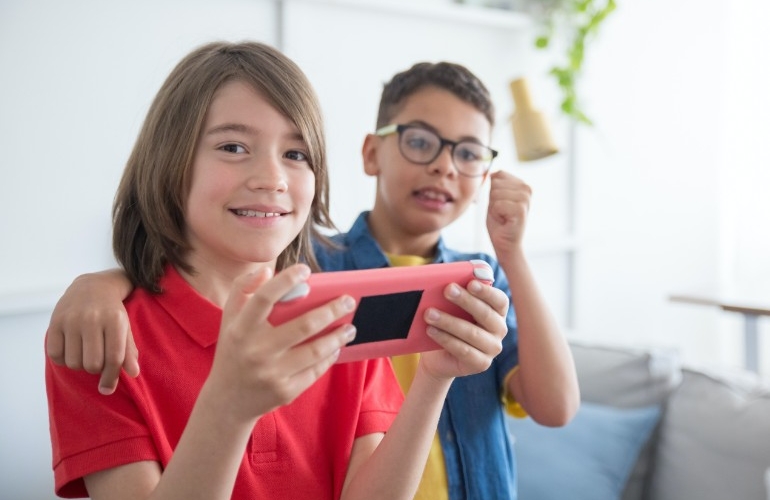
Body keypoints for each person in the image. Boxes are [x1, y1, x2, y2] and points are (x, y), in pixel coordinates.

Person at [47, 61, 580, 499]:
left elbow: (553, 406)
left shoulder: (345, 315)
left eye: (296, 154)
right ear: (169, 161)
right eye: (233, 146)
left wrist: (435, 379)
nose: (272, 178)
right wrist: (229, 404)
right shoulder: (101, 340)